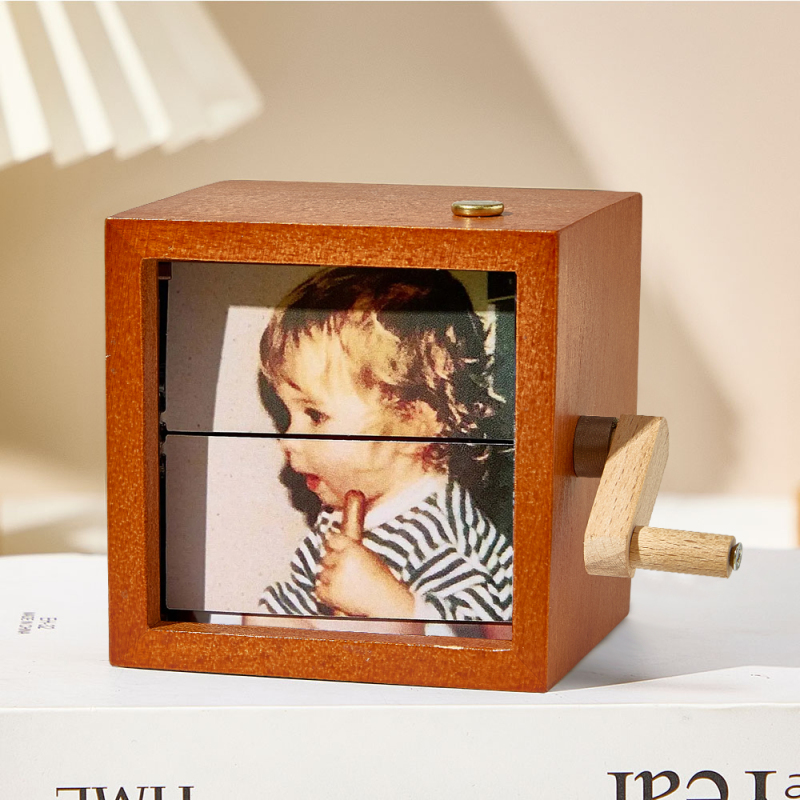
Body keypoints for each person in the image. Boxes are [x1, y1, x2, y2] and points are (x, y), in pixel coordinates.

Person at [250, 267, 512, 626]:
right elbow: (300, 598)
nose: (287, 440)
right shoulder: (341, 513)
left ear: (413, 423)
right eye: (288, 414)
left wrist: (394, 606)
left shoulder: (441, 536)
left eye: (315, 414)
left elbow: (480, 642)